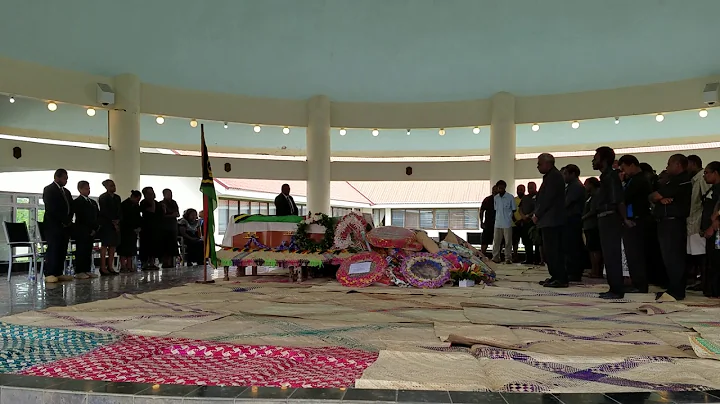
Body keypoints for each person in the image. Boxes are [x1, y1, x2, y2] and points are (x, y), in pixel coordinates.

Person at [650, 154, 693, 301]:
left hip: (673, 222)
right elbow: (652, 196)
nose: (667, 167)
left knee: (674, 257)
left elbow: (655, 196)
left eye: (669, 164)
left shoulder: (681, 181)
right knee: (669, 257)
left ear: (678, 165)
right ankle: (673, 288)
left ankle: (676, 290)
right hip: (666, 221)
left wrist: (659, 197)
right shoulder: (673, 181)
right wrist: (661, 198)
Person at [593, 146, 632, 300]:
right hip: (605, 218)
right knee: (608, 255)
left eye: (596, 158)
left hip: (610, 218)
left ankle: (617, 289)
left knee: (612, 255)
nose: (593, 161)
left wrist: (624, 219)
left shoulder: (611, 176)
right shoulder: (606, 177)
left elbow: (618, 200)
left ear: (603, 160)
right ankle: (613, 287)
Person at [618, 155, 652, 293]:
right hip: (632, 219)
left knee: (636, 254)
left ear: (632, 165)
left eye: (624, 168)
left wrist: (620, 184)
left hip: (637, 220)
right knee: (632, 254)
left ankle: (640, 284)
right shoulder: (632, 179)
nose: (623, 172)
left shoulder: (640, 180)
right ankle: (636, 282)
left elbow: (625, 197)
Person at [533, 153, 567, 288]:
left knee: (554, 250)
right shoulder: (550, 176)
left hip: (552, 220)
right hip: (549, 220)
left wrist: (538, 214)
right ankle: (555, 276)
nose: (538, 166)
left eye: (539, 164)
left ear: (548, 163)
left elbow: (549, 199)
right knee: (550, 251)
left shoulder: (554, 176)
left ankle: (560, 278)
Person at [41, 169, 74, 283]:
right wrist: (63, 220)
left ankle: (59, 272)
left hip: (65, 226)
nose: (66, 180)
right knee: (53, 248)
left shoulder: (67, 192)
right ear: (57, 177)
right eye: (64, 178)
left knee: (62, 249)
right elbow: (51, 208)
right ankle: (50, 273)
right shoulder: (49, 189)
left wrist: (68, 220)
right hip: (53, 225)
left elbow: (71, 207)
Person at [686, 155, 712, 290]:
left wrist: (705, 224)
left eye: (688, 164)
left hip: (699, 221)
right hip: (693, 222)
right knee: (695, 253)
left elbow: (707, 201)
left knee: (701, 253)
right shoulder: (695, 179)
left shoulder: (702, 178)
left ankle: (704, 281)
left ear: (694, 164)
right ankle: (700, 280)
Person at [562, 164, 586, 282]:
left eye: (566, 174)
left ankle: (574, 272)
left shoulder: (576, 186)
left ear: (573, 174)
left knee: (573, 246)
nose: (564, 176)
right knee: (569, 246)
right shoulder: (571, 186)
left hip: (573, 219)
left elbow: (567, 203)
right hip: (570, 219)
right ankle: (571, 271)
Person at [71, 181, 99, 279]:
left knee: (88, 251)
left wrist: (95, 228)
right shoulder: (77, 202)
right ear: (80, 189)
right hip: (82, 230)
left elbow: (97, 216)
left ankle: (87, 270)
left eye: (89, 188)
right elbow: (81, 217)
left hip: (92, 230)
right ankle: (79, 271)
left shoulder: (93, 202)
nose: (88, 190)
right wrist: (87, 229)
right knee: (81, 251)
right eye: (86, 188)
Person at [700, 161, 720, 297]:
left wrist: (713, 227)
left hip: (717, 232)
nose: (704, 176)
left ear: (716, 173)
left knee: (717, 260)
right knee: (712, 260)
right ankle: (711, 289)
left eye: (707, 173)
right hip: (709, 230)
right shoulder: (712, 188)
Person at [97, 179, 121, 275]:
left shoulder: (117, 198)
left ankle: (110, 266)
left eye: (114, 185)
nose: (113, 187)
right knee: (105, 246)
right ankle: (103, 267)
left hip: (115, 225)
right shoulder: (103, 197)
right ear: (106, 187)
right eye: (111, 185)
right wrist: (112, 221)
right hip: (106, 224)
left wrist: (118, 220)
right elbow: (104, 211)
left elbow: (120, 210)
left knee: (113, 246)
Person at [582, 177, 603, 278]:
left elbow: (593, 210)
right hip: (588, 225)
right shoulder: (589, 196)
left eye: (586, 184)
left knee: (595, 249)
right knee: (591, 249)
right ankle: (593, 269)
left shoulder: (597, 195)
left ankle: (597, 270)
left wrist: (582, 218)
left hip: (593, 225)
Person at [492, 180, 516, 264]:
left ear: (505, 187)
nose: (500, 189)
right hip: (497, 223)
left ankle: (508, 258)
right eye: (499, 187)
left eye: (502, 187)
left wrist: (512, 219)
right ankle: (495, 257)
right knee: (496, 242)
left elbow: (514, 210)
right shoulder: (496, 198)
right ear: (497, 188)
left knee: (508, 242)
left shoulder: (510, 197)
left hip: (507, 223)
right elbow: (496, 210)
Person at [118, 190, 142, 272]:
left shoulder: (136, 206)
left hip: (133, 230)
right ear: (133, 197)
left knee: (131, 249)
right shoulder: (124, 205)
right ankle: (123, 266)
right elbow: (123, 218)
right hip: (125, 229)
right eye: (137, 199)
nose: (137, 201)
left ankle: (129, 265)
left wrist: (139, 227)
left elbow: (138, 217)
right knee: (123, 249)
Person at [518, 182, 540, 265]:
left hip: (535, 222)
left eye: (531, 187)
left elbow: (539, 208)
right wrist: (523, 216)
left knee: (537, 241)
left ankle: (538, 260)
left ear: (535, 187)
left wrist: (529, 215)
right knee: (526, 241)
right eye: (528, 188)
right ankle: (529, 259)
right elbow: (520, 208)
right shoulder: (525, 198)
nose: (529, 189)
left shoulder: (539, 196)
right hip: (525, 222)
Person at [139, 187, 161, 270]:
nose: (152, 194)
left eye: (152, 192)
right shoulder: (143, 202)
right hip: (146, 227)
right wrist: (152, 202)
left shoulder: (157, 203)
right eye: (149, 193)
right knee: (145, 245)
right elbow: (151, 210)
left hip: (155, 227)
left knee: (154, 245)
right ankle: (144, 263)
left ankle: (152, 262)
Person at [159, 188, 180, 268]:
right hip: (165, 227)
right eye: (168, 194)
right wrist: (171, 215)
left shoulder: (174, 203)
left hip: (173, 226)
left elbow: (177, 214)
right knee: (165, 245)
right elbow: (162, 215)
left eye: (171, 193)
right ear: (164, 195)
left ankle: (172, 262)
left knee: (172, 245)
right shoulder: (161, 203)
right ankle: (165, 262)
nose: (170, 195)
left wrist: (172, 214)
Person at [480, 185, 498, 256]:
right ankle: (482, 255)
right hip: (488, 223)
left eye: (496, 189)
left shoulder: (501, 200)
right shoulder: (487, 199)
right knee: (485, 241)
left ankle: (497, 256)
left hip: (498, 223)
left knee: (498, 241)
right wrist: (481, 222)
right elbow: (481, 211)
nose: (495, 191)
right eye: (494, 189)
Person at [512, 184, 526, 261]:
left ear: (524, 190)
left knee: (526, 241)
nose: (519, 191)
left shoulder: (527, 199)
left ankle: (527, 258)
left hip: (524, 223)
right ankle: (515, 256)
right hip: (515, 224)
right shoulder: (513, 200)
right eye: (518, 189)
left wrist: (522, 220)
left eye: (521, 189)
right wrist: (515, 221)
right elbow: (510, 211)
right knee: (515, 242)